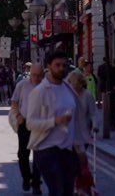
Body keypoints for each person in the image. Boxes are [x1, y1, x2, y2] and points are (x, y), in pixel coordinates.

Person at [27, 51, 85, 196]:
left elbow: (76, 122)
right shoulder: (39, 91)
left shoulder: (68, 88)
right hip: (47, 149)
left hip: (68, 150)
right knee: (57, 191)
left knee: (67, 192)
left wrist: (80, 149)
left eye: (64, 65)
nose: (61, 68)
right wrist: (54, 121)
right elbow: (30, 123)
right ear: (49, 66)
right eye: (57, 65)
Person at [11, 62, 44, 194]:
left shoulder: (46, 86)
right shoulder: (22, 85)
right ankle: (26, 177)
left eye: (39, 75)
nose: (36, 78)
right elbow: (14, 101)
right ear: (30, 73)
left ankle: (36, 183)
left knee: (39, 155)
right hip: (24, 122)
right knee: (23, 154)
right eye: (34, 75)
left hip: (40, 124)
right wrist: (18, 115)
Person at [66, 69, 98, 195]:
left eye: (76, 83)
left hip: (83, 134)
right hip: (69, 134)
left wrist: (95, 125)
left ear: (81, 82)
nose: (74, 86)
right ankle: (77, 185)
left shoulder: (88, 95)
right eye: (72, 83)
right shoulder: (68, 96)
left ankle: (82, 186)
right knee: (73, 162)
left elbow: (93, 113)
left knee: (81, 162)